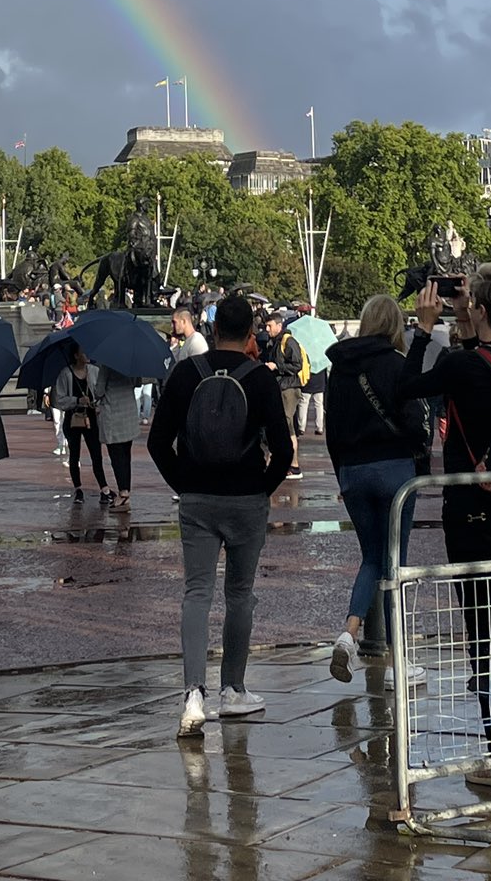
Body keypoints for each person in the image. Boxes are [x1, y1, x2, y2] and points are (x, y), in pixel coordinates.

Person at [398, 265, 491, 789]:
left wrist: (423, 329)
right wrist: (468, 317)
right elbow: (485, 363)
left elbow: (406, 387)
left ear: (481, 308)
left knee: (483, 631)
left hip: (470, 506)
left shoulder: (462, 364)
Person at [147, 292, 292, 738]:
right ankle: (233, 689)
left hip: (197, 496)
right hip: (246, 495)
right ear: (250, 333)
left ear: (212, 329)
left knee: (196, 593)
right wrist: (262, 489)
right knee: (240, 594)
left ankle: (193, 692)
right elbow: (283, 449)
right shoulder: (260, 378)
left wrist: (184, 483)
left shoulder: (187, 372)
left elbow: (157, 442)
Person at [322, 294, 427, 684]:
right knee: (394, 565)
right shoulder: (397, 364)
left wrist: (342, 475)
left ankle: (350, 632)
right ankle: (399, 661)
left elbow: (332, 429)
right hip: (394, 468)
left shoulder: (340, 369)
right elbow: (415, 422)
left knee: (371, 559)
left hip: (352, 470)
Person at [51, 348, 107, 501]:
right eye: (83, 352)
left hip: (91, 417)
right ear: (76, 355)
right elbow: (60, 400)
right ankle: (78, 488)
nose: (87, 355)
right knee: (74, 454)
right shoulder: (66, 373)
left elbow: (101, 393)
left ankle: (104, 488)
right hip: (73, 418)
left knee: (96, 453)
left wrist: (96, 403)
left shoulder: (94, 371)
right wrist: (77, 400)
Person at [91, 354, 143, 509]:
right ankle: (126, 490)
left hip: (113, 414)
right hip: (129, 412)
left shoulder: (107, 364)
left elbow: (99, 391)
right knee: (126, 455)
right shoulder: (133, 362)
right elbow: (137, 383)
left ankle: (123, 492)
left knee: (116, 456)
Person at [262, 313, 308, 479]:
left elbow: (297, 365)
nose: (267, 329)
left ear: (279, 326)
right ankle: (291, 465)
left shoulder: (288, 341)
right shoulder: (277, 342)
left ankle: (292, 466)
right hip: (284, 387)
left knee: (286, 427)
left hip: (289, 388)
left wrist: (276, 366)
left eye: (270, 326)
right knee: (287, 428)